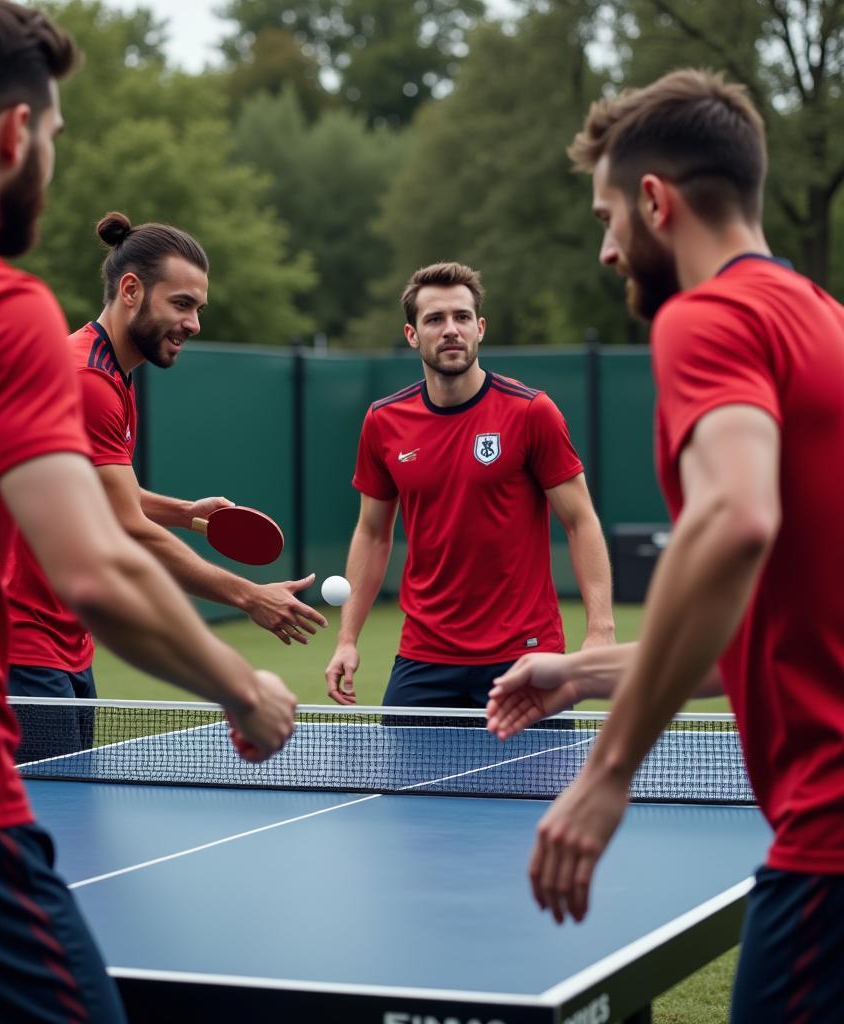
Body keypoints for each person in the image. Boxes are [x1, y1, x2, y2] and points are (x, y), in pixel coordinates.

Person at [0, 2, 295, 1022]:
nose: (52, 161)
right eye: (56, 136)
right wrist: (239, 689)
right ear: (12, 134)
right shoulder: (1, 310)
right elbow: (97, 563)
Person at [485, 69, 844, 1022]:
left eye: (608, 216)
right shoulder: (823, 320)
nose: (607, 249)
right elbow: (761, 643)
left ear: (655, 201)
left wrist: (608, 773)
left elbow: (734, 522)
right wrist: (583, 672)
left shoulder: (709, 319)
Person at [6, 211, 327, 750]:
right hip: (18, 642)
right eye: (182, 304)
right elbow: (127, 527)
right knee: (42, 823)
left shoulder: (109, 370)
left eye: (198, 308)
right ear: (131, 290)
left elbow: (95, 490)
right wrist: (250, 596)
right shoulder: (89, 381)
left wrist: (184, 511)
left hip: (64, 639)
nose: (195, 323)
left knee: (69, 813)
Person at [325, 262, 615, 708]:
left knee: (544, 781)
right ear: (411, 334)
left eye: (462, 317)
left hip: (525, 653)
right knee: (395, 780)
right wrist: (347, 639)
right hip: (424, 656)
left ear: (480, 328)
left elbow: (580, 522)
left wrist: (600, 631)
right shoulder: (383, 422)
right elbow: (372, 532)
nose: (450, 330)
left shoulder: (531, 412)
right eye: (435, 319)